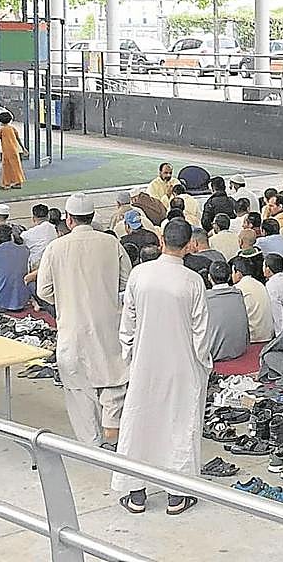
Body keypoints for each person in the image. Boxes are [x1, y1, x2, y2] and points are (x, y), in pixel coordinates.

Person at [112, 218, 209, 516]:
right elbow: (201, 333)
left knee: (140, 424)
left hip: (145, 364)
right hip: (182, 367)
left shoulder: (140, 275)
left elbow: (127, 324)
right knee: (179, 426)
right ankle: (176, 495)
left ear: (162, 240)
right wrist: (203, 367)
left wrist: (131, 355)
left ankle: (137, 494)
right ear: (189, 245)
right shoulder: (192, 281)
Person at [35, 193, 132, 446]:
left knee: (79, 391)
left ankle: (93, 445)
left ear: (68, 220)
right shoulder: (111, 243)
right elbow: (126, 282)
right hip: (108, 327)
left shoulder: (56, 248)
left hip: (72, 329)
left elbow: (43, 291)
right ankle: (115, 437)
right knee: (112, 380)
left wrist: (68, 300)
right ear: (92, 217)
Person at [204, 260, 249, 363]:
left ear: (209, 277)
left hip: (214, 354)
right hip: (239, 350)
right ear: (229, 277)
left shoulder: (205, 298)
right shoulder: (238, 294)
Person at [230, 252, 273, 343]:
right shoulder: (259, 284)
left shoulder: (238, 289)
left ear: (238, 273)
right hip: (268, 335)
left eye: (232, 272)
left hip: (253, 338)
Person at [0, 111, 25, 190]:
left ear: (0, 121)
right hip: (14, 150)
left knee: (6, 167)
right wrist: (23, 148)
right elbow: (18, 138)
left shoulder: (0, 129)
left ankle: (6, 183)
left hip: (6, 151)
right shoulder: (12, 128)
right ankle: (18, 182)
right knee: (16, 166)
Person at [20, 203, 58, 269]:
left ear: (33, 218)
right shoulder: (56, 229)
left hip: (37, 267)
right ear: (48, 216)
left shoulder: (27, 234)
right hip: (54, 264)